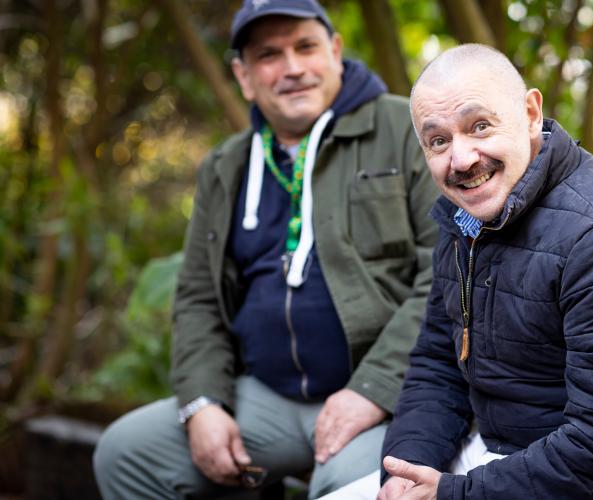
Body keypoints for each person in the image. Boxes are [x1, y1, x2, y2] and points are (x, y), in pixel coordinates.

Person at [326, 43, 593, 500]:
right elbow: (437, 365)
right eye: (438, 140)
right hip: (498, 460)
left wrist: (455, 494)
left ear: (531, 114)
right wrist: (409, 472)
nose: (462, 158)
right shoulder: (464, 222)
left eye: (480, 126)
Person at [92, 1, 439, 498]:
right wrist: (203, 403)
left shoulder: (404, 129)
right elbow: (197, 298)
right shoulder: (225, 166)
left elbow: (444, 278)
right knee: (126, 454)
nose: (293, 68)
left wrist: (374, 389)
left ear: (335, 51)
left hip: (388, 394)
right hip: (265, 398)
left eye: (306, 47)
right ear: (244, 75)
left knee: (348, 486)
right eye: (269, 55)